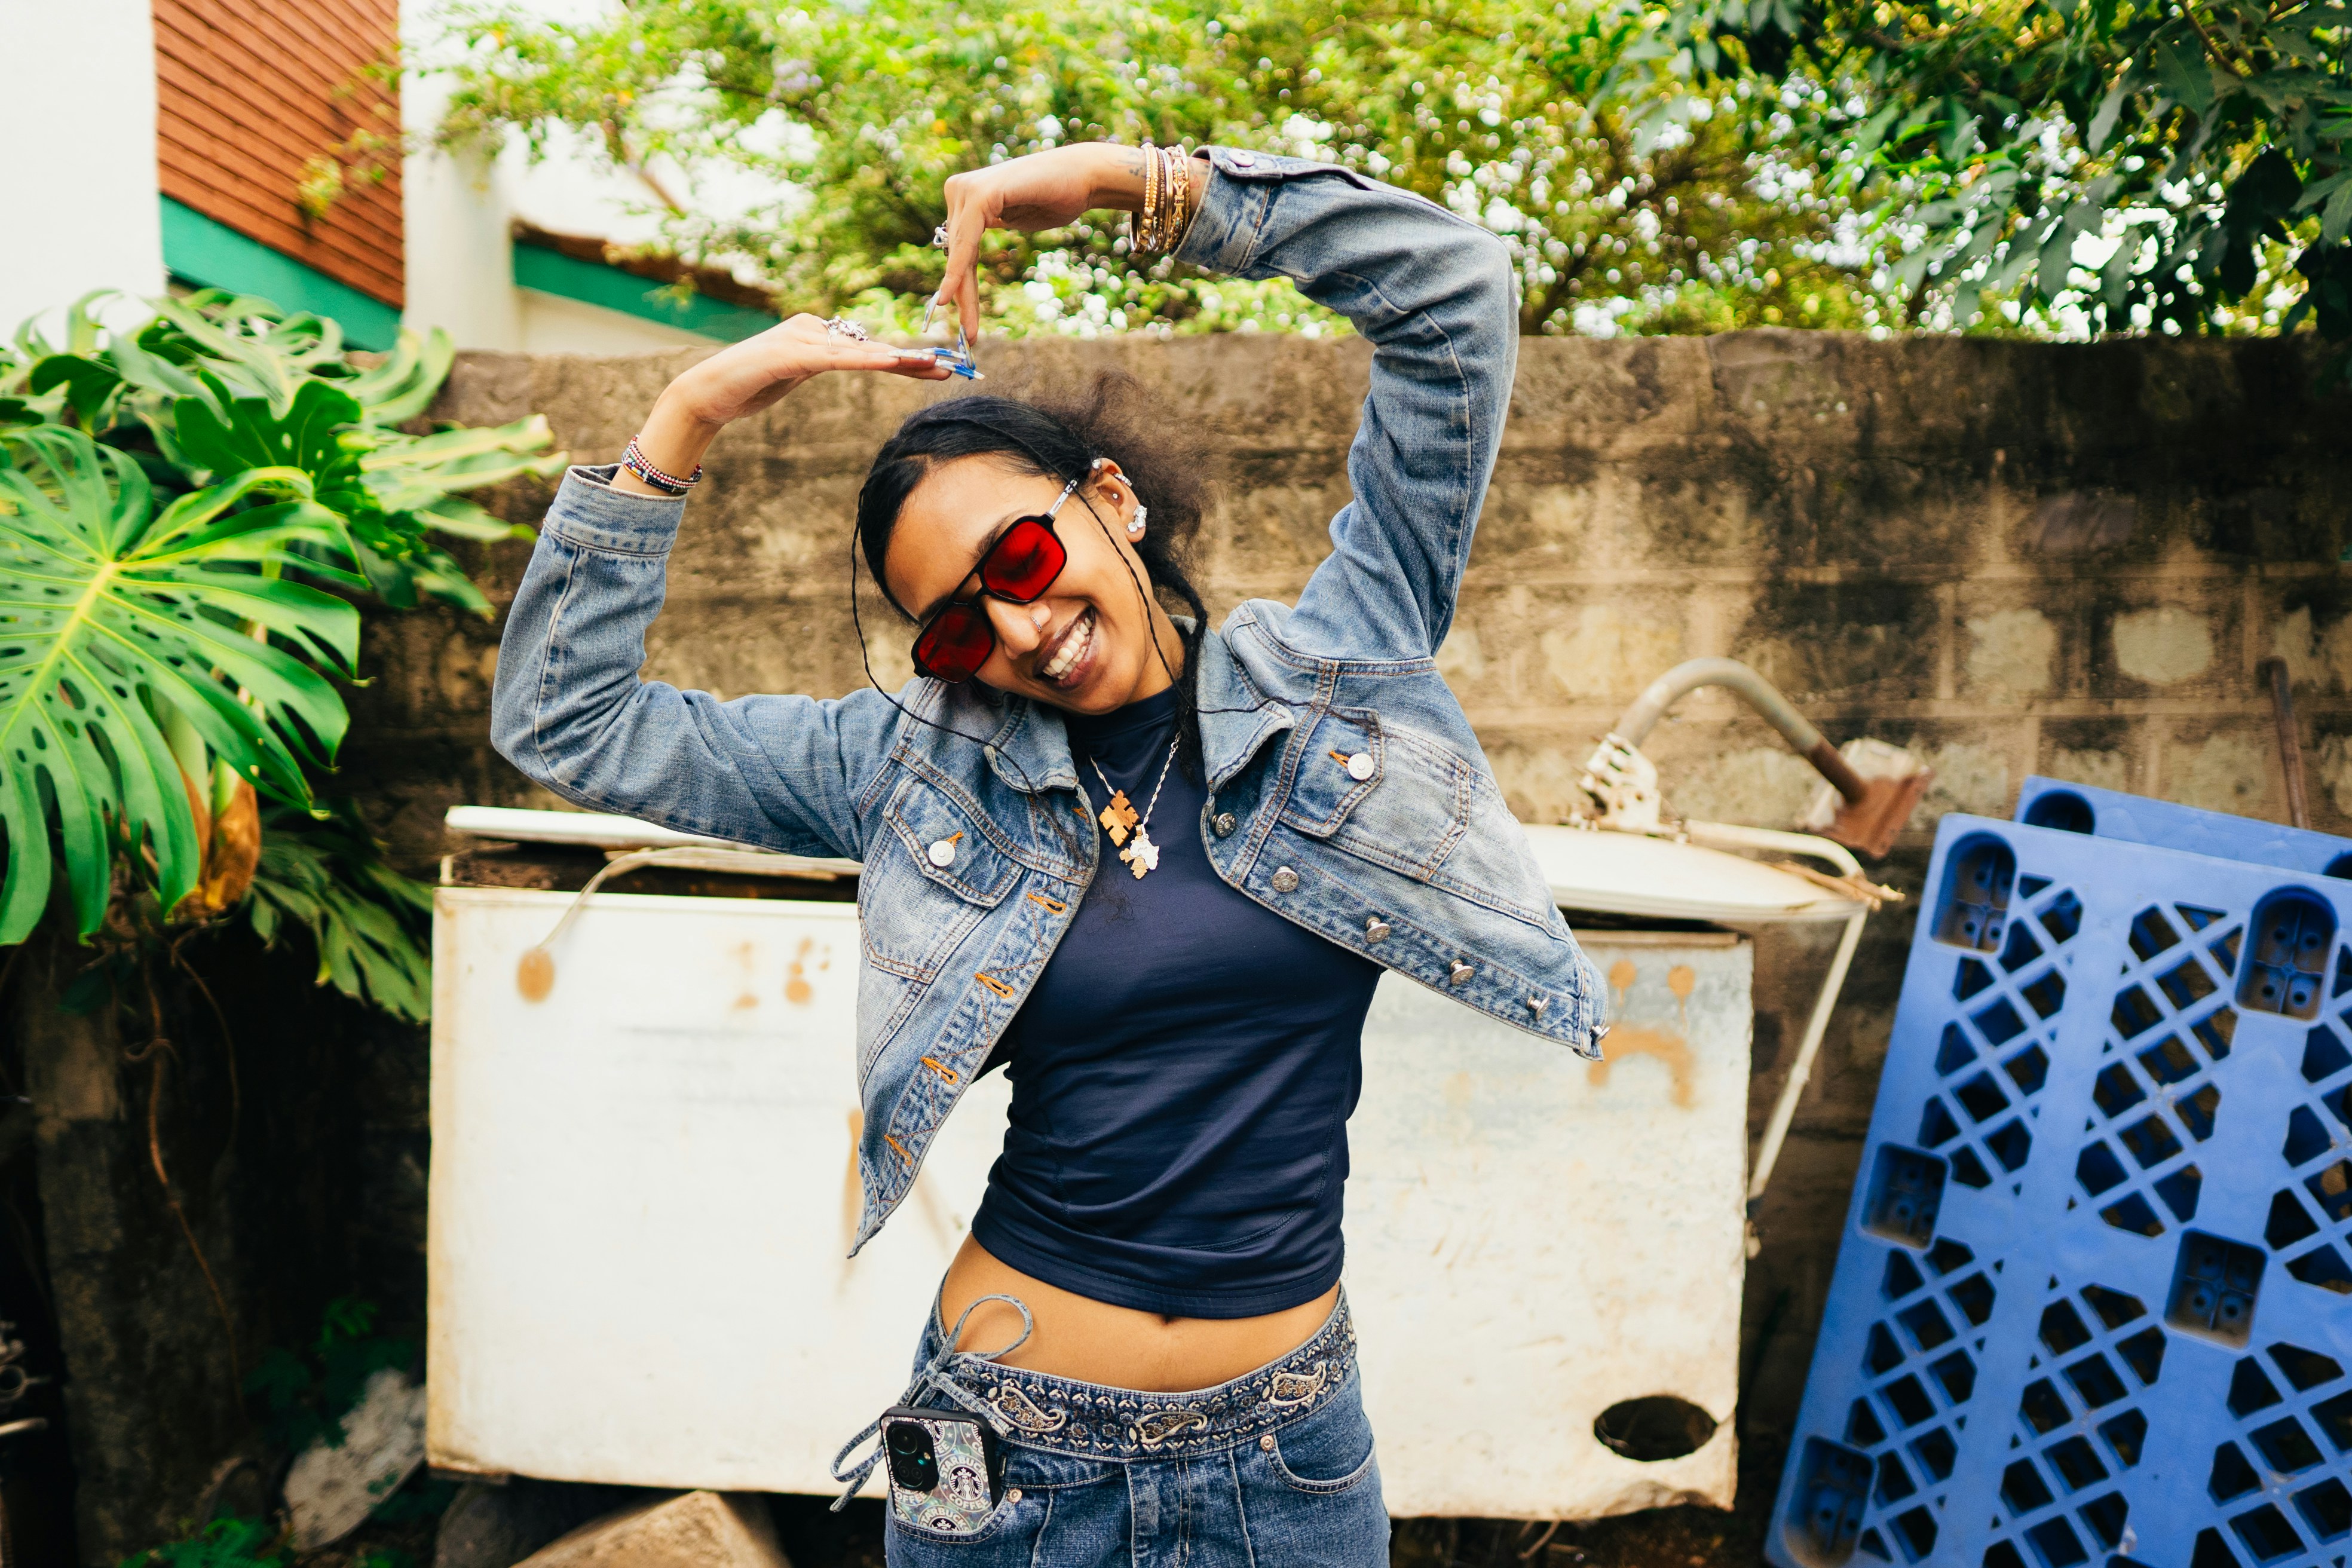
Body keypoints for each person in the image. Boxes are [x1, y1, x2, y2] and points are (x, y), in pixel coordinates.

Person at [491, 139, 1607, 1567]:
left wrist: (1133, 184)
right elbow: (567, 721)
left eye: (1019, 558)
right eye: (958, 627)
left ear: (1112, 499)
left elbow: (1454, 296)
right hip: (1004, 1443)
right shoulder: (908, 768)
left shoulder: (1342, 670)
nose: (1020, 630)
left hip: (1289, 1449)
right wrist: (690, 413)